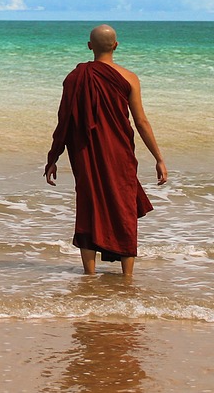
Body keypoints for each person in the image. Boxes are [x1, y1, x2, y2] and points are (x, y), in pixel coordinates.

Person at [44, 24, 167, 276]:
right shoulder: (130, 77)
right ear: (116, 45)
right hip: (120, 153)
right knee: (124, 207)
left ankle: (89, 275)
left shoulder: (75, 77)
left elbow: (64, 120)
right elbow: (141, 121)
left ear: (89, 46)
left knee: (89, 206)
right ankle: (127, 277)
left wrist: (53, 157)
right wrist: (159, 158)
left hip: (84, 153)